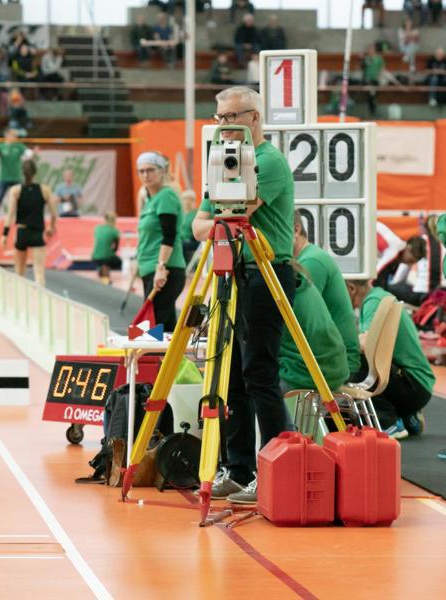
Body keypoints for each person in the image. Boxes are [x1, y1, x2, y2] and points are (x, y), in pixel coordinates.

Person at [192, 86, 296, 505]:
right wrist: (218, 220)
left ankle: (274, 470)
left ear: (254, 118)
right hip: (235, 273)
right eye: (219, 119)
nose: (224, 127)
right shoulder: (221, 162)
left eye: (231, 118)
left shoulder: (268, 162)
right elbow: (200, 226)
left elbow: (236, 213)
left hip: (266, 273)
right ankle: (239, 470)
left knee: (259, 374)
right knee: (228, 374)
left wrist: (218, 219)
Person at [347, 279, 433, 439]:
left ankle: (387, 423)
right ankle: (406, 414)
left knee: (357, 361)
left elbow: (367, 344)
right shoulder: (379, 296)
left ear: (351, 288)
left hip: (413, 386)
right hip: (417, 384)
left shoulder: (374, 301)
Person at [292, 212, 361, 377]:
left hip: (337, 363)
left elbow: (299, 322)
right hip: (336, 358)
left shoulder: (311, 263)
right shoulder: (312, 257)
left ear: (296, 230)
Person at [136, 151, 186, 333]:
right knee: (163, 326)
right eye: (141, 171)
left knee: (151, 328)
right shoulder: (150, 200)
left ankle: (157, 361)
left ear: (162, 171)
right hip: (150, 268)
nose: (145, 175)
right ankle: (172, 362)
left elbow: (169, 235)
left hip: (165, 270)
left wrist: (161, 267)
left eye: (150, 170)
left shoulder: (166, 196)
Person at [278, 269, 349, 397]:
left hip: (308, 376)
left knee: (248, 385)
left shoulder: (312, 263)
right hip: (335, 370)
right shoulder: (302, 276)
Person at [0, 160, 57, 288]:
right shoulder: (45, 190)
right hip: (37, 233)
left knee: (19, 274)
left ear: (23, 172)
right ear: (35, 172)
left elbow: (10, 215)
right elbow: (54, 214)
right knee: (39, 273)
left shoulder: (15, 190)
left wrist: (4, 235)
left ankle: (20, 302)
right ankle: (40, 301)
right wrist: (51, 228)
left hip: (22, 232)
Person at [0, 128, 31, 221]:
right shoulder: (1, 146)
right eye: (12, 135)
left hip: (16, 178)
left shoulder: (19, 146)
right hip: (4, 178)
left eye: (15, 135)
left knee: (21, 199)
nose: (14, 137)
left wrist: (31, 153)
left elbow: (28, 153)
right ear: (7, 136)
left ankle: (22, 218)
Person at [92, 211, 121, 284]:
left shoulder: (97, 228)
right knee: (117, 261)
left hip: (95, 255)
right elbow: (116, 248)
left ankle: (101, 270)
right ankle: (105, 276)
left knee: (104, 261)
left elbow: (98, 242)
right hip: (106, 257)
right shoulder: (114, 231)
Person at [362, 43, 383, 115]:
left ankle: (373, 111)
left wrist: (380, 79)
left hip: (375, 80)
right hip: (367, 80)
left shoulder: (379, 58)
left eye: (372, 49)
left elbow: (381, 69)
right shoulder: (366, 58)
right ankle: (372, 112)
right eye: (369, 49)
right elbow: (363, 68)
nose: (371, 50)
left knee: (372, 95)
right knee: (369, 95)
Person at [179, 189, 199, 263]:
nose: (186, 201)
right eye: (184, 199)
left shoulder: (195, 213)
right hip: (181, 240)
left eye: (188, 199)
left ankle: (184, 266)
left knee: (180, 245)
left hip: (193, 240)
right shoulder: (181, 214)